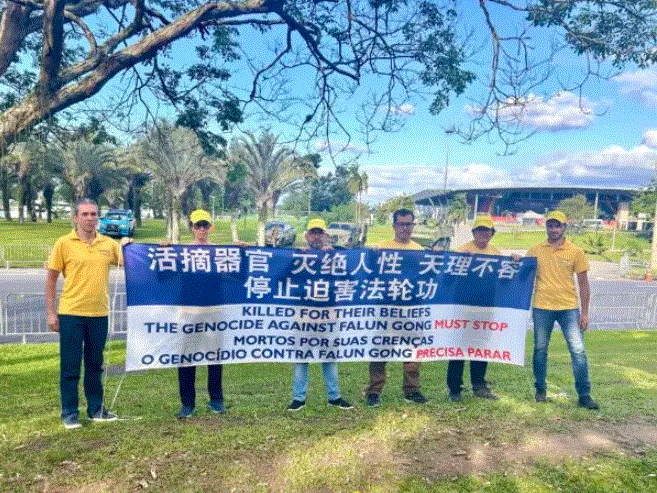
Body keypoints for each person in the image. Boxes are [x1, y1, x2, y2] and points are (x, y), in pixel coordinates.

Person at [46, 199, 123, 429]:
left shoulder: (108, 244)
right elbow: (50, 279)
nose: (90, 218)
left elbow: (133, 261)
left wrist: (142, 246)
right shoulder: (64, 243)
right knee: (70, 366)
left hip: (99, 313)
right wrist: (51, 313)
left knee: (95, 364)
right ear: (76, 218)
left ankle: (96, 409)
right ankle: (69, 412)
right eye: (85, 214)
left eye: (94, 214)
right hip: (71, 313)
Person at [526, 210, 599, 410]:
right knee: (540, 350)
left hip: (569, 308)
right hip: (542, 306)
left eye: (557, 225)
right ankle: (540, 390)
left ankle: (584, 395)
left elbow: (584, 284)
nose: (553, 229)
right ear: (546, 227)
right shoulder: (535, 250)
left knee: (578, 351)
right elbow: (524, 276)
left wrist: (584, 313)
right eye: (550, 225)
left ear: (564, 228)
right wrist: (516, 261)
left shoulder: (575, 251)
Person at [287, 218, 353, 411]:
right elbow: (282, 277)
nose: (316, 236)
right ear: (306, 235)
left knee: (329, 356)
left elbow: (350, 276)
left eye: (319, 233)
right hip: (303, 313)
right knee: (301, 357)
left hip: (328, 313)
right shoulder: (297, 255)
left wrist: (334, 257)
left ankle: (334, 396)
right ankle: (298, 398)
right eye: (312, 232)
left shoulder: (335, 254)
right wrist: (297, 257)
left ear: (325, 235)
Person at [364, 208, 428, 407]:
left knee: (412, 351)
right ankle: (374, 391)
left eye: (409, 224)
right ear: (394, 226)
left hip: (411, 309)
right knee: (380, 351)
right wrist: (371, 256)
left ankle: (412, 390)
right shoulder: (381, 248)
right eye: (401, 224)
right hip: (386, 308)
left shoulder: (419, 251)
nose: (405, 228)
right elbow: (366, 272)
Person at [176, 209, 225, 418]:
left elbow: (236, 274)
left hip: (213, 310)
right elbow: (164, 274)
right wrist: (162, 250)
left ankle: (216, 400)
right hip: (189, 311)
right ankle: (188, 403)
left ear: (210, 227)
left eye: (205, 225)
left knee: (215, 357)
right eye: (198, 225)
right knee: (187, 357)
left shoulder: (220, 252)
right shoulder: (181, 252)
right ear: (192, 228)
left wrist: (241, 251)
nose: (202, 229)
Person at [447, 214, 500, 402]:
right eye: (479, 230)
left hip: (485, 308)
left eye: (486, 230)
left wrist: (517, 261)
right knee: (459, 348)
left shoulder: (495, 253)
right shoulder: (462, 250)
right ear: (473, 232)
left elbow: (504, 277)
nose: (482, 234)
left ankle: (479, 385)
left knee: (480, 348)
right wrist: (460, 260)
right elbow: (448, 277)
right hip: (463, 307)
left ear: (492, 233)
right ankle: (454, 388)